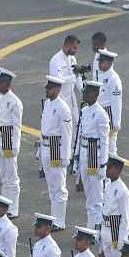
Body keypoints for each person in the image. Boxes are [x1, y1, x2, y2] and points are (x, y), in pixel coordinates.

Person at [40, 75, 73, 230]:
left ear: (57, 89)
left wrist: (65, 157)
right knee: (51, 186)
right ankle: (53, 219)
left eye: (49, 88)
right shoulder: (47, 104)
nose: (47, 90)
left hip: (56, 148)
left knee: (59, 186)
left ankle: (59, 221)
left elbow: (67, 135)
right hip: (46, 146)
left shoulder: (63, 108)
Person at [100, 155, 129, 257]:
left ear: (118, 170)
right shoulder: (108, 185)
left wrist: (121, 241)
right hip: (106, 232)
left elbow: (125, 219)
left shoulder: (123, 191)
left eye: (110, 167)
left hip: (115, 234)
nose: (107, 170)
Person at [77, 81, 110, 228]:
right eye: (84, 91)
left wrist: (103, 164)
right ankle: (91, 225)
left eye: (87, 92)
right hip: (85, 152)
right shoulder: (84, 111)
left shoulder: (101, 115)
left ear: (96, 94)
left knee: (96, 195)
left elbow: (104, 142)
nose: (84, 94)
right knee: (88, 194)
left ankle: (97, 227)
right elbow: (80, 135)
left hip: (94, 155)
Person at [0, 68, 23, 218]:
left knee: (12, 177)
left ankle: (13, 208)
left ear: (8, 84)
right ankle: (5, 205)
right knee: (4, 177)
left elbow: (17, 126)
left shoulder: (15, 102)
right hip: (0, 138)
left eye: (1, 82)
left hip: (8, 140)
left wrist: (14, 146)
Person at [48, 35, 81, 128]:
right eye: (74, 48)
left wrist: (82, 90)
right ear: (67, 45)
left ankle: (76, 143)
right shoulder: (55, 60)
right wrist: (72, 77)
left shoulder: (72, 58)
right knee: (63, 126)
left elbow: (77, 76)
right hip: (61, 98)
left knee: (76, 125)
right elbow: (57, 80)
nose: (76, 50)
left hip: (71, 98)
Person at [96, 51, 121, 155]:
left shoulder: (114, 79)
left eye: (101, 61)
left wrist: (116, 122)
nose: (99, 63)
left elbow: (116, 101)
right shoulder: (101, 75)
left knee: (110, 145)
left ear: (109, 63)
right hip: (100, 112)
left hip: (109, 113)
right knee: (102, 143)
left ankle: (113, 167)